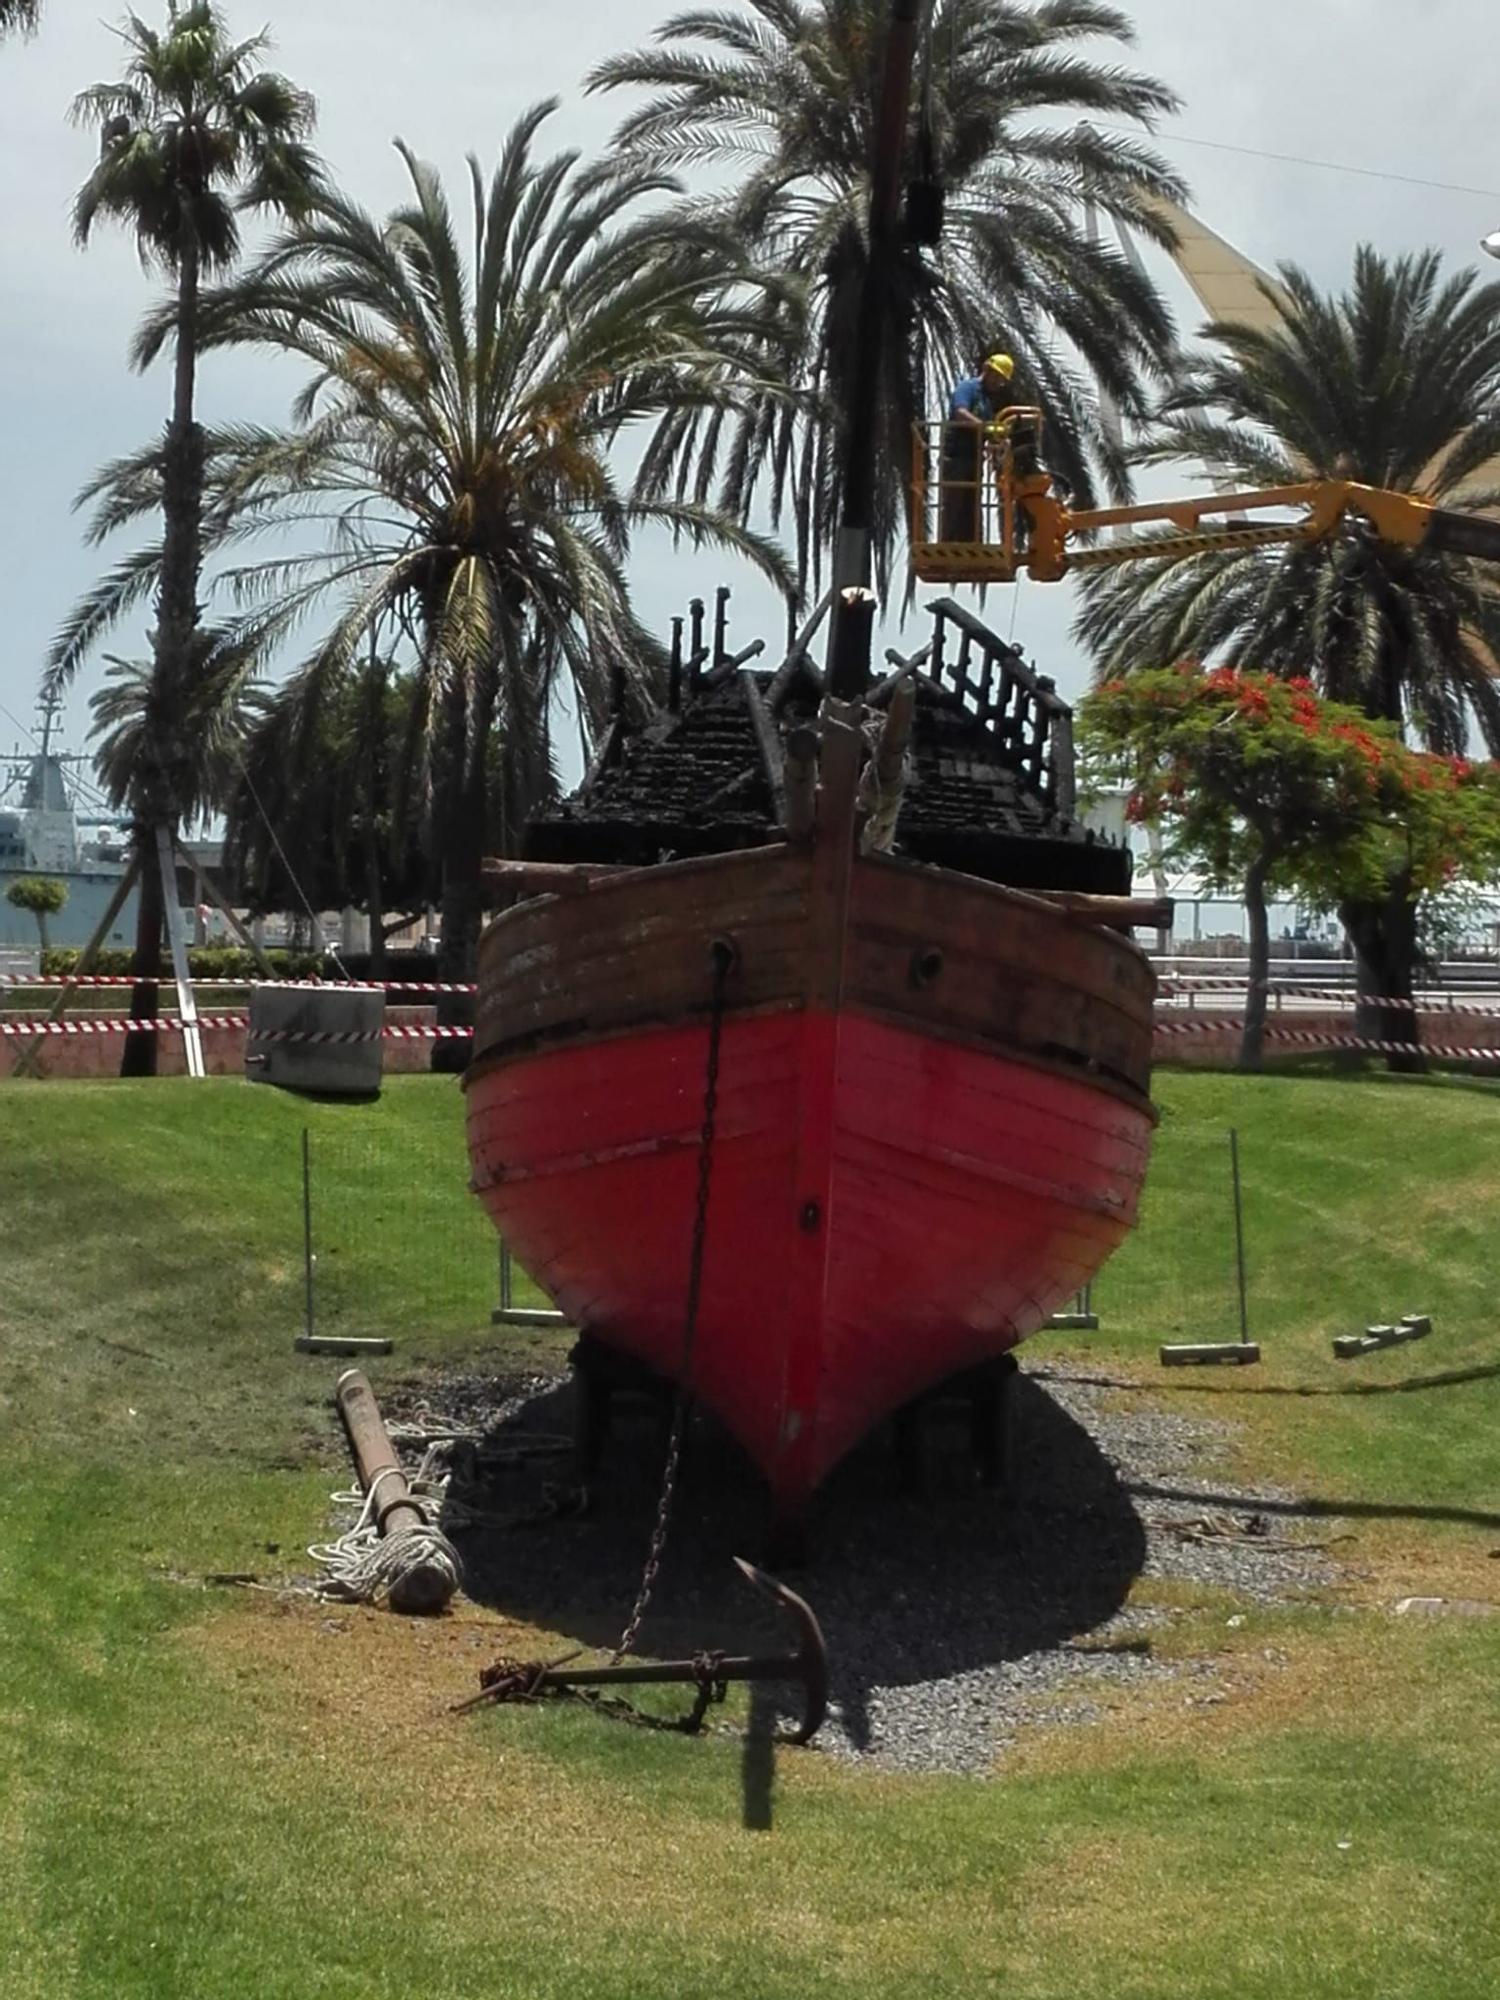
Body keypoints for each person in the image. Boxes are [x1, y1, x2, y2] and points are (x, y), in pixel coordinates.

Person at [940, 352, 1015, 542]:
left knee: (972, 506)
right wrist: (984, 426)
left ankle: (972, 543)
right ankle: (947, 543)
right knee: (954, 503)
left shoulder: (987, 402)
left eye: (1002, 380)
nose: (999, 383)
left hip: (973, 458)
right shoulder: (968, 388)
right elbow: (960, 412)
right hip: (956, 456)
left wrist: (998, 440)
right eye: (998, 377)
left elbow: (988, 430)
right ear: (987, 370)